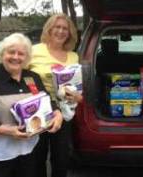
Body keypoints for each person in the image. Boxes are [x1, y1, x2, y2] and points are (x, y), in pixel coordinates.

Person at [0, 33, 63, 177]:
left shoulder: (32, 77)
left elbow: (47, 100)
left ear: (27, 58)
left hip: (29, 152)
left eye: (21, 53)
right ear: (2, 54)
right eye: (11, 52)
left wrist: (57, 113)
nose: (16, 57)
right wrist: (5, 130)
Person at [29, 13, 82, 177]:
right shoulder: (34, 50)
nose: (61, 31)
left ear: (70, 33)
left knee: (61, 158)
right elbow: (20, 75)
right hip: (38, 109)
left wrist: (78, 98)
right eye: (57, 27)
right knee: (37, 157)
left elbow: (77, 86)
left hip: (64, 110)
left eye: (65, 28)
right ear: (49, 29)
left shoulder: (73, 55)